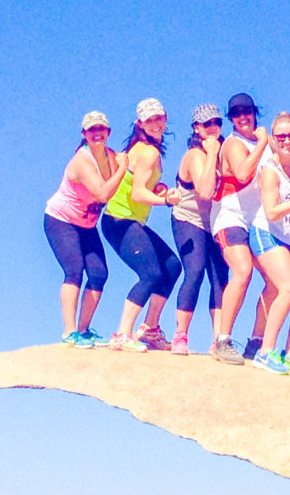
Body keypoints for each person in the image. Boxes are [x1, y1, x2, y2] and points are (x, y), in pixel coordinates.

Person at [101, 98, 183, 352]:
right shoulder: (148, 152)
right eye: (150, 120)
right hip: (119, 221)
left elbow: (139, 186)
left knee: (171, 266)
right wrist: (165, 200)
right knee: (151, 273)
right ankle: (122, 333)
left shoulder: (146, 150)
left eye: (159, 118)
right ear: (140, 123)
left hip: (128, 220)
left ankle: (150, 328)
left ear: (166, 118)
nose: (156, 124)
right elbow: (137, 194)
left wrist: (157, 189)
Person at [43, 111, 129, 348]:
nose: (97, 133)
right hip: (61, 220)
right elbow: (102, 192)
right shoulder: (82, 160)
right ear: (84, 134)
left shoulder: (111, 157)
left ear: (108, 133)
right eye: (92, 130)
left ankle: (84, 329)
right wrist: (123, 169)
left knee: (99, 273)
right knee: (74, 270)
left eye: (101, 129)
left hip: (86, 225)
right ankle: (69, 332)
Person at [247, 113, 290, 375]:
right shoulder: (270, 171)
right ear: (273, 141)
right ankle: (265, 352)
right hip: (266, 232)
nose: (287, 141)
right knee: (287, 288)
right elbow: (272, 212)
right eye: (281, 136)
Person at [209, 92, 270, 365]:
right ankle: (222, 340)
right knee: (243, 270)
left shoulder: (261, 144)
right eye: (236, 113)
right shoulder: (234, 143)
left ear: (255, 112)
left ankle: (256, 342)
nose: (243, 117)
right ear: (231, 119)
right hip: (229, 216)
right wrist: (263, 143)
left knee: (278, 280)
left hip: (257, 220)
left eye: (247, 111)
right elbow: (243, 173)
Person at [169, 104, 228, 355]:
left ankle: (219, 340)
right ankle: (180, 335)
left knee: (220, 278)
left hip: (214, 222)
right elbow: (204, 192)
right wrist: (212, 153)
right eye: (207, 124)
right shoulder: (195, 155)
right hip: (188, 219)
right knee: (194, 271)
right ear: (197, 128)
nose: (212, 128)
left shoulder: (225, 151)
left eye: (216, 123)